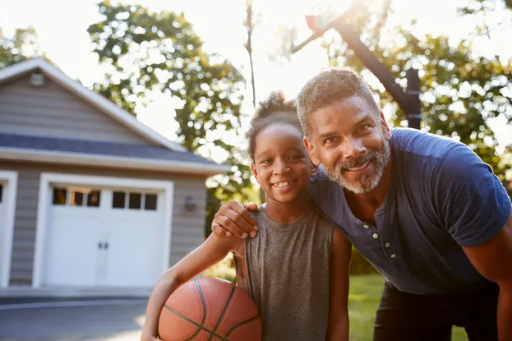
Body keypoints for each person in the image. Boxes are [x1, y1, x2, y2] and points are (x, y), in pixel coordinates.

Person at [211, 69, 512, 341]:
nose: (352, 151)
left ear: (383, 123)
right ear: (311, 150)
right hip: (411, 293)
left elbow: (508, 280)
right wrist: (234, 213)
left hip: (488, 289)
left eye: (363, 128)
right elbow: (274, 197)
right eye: (331, 140)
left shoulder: (450, 172)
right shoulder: (313, 185)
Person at [140, 92, 351, 341]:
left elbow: (338, 315)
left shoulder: (333, 233)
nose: (281, 169)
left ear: (313, 159)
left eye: (294, 156)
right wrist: (148, 335)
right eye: (267, 160)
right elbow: (171, 277)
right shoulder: (242, 228)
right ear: (254, 170)